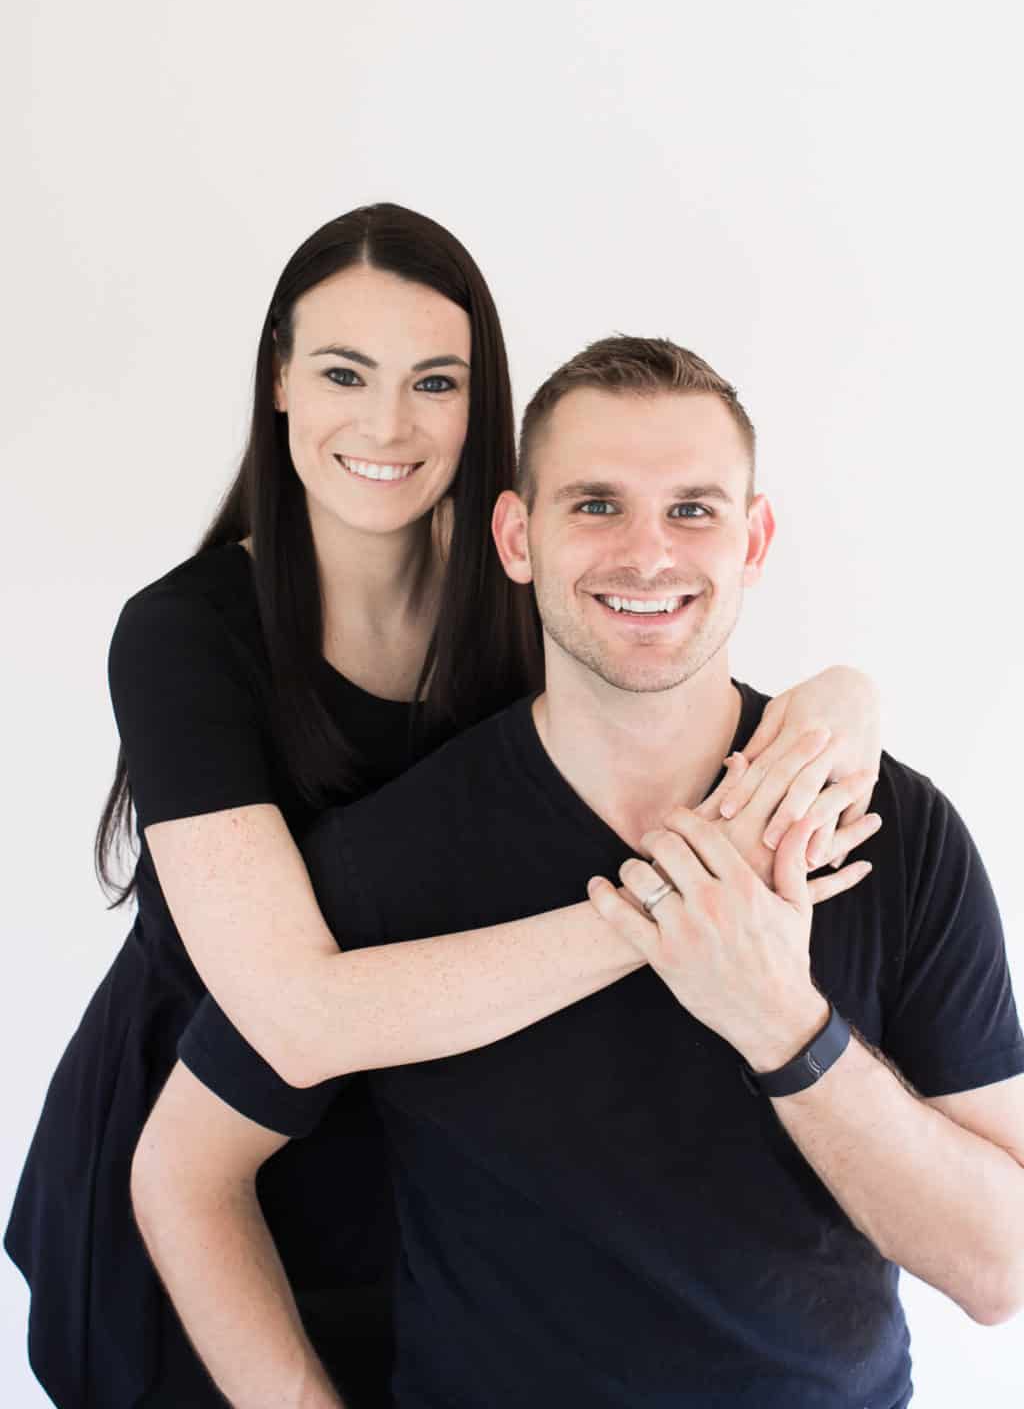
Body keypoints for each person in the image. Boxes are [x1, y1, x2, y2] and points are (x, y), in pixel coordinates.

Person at [5, 205, 880, 1409]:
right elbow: (294, 1017)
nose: (386, 424)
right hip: (205, 1138)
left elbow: (673, 666)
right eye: (343, 374)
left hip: (426, 1140)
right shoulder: (182, 637)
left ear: (482, 406)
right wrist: (676, 915)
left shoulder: (522, 572)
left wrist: (845, 699)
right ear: (278, 382)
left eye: (434, 382)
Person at [137, 335, 1024, 1409]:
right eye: (596, 505)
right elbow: (185, 1174)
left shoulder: (889, 827)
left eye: (692, 509)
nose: (647, 555)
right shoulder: (391, 858)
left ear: (753, 539)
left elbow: (999, 1270)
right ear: (518, 537)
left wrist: (786, 1028)